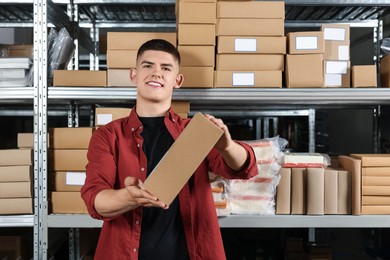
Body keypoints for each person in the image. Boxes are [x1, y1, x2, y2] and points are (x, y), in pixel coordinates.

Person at [81, 39, 258, 260]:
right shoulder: (109, 135)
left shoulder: (194, 132)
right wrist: (128, 197)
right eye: (147, 66)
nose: (156, 73)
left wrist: (227, 146)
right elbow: (95, 200)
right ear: (133, 75)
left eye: (165, 68)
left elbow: (244, 168)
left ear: (178, 80)